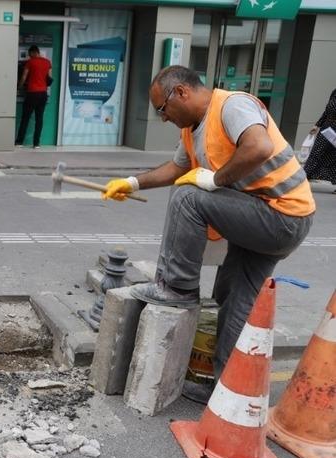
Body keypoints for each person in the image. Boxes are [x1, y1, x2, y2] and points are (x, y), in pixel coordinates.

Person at [103, 65, 315, 404]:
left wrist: (215, 180)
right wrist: (132, 183)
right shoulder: (192, 129)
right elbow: (178, 168)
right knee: (234, 299)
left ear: (181, 92)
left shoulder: (232, 106)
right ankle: (226, 393)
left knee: (189, 195)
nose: (163, 118)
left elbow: (258, 147)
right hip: (270, 218)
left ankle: (177, 287)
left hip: (281, 216)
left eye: (163, 109)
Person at [15, 45, 51, 148]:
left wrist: (19, 87)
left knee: (25, 118)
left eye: (29, 54)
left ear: (33, 52)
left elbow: (24, 76)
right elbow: (49, 78)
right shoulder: (47, 62)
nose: (29, 56)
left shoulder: (30, 62)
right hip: (43, 94)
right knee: (39, 119)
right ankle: (36, 143)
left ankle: (19, 142)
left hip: (32, 93)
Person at [303, 87, 336, 185]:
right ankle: (305, 176)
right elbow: (326, 111)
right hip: (327, 128)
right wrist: (317, 125)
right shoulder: (334, 92)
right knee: (316, 152)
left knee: (334, 157)